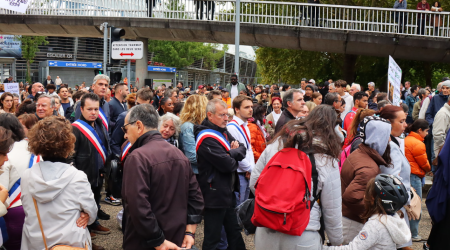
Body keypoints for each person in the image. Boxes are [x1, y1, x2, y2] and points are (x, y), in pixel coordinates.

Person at [250, 105, 344, 249]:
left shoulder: (276, 145)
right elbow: (332, 209)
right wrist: (336, 240)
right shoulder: (327, 160)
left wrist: (274, 205)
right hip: (303, 232)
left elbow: (254, 182)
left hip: (266, 229)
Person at [121, 104, 204, 250]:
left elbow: (138, 205)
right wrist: (189, 232)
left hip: (145, 242)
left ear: (139, 126)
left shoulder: (137, 157)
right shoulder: (179, 154)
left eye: (126, 129)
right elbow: (196, 197)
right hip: (176, 238)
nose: (125, 135)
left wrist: (158, 240)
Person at [20, 116, 97, 250]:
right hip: (70, 242)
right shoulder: (77, 177)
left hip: (36, 242)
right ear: (68, 145)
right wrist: (87, 216)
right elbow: (92, 212)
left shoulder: (27, 176)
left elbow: (27, 208)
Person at [194, 99, 247, 250]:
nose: (226, 118)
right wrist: (233, 154)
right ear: (210, 115)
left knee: (234, 232)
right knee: (213, 236)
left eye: (227, 115)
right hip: (214, 193)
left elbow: (242, 148)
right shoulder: (206, 137)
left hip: (226, 192)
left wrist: (230, 153)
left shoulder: (221, 129)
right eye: (222, 115)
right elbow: (228, 165)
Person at [340, 115, 392, 244]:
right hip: (353, 222)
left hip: (346, 217)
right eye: (387, 136)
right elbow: (352, 197)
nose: (389, 140)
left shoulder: (360, 153)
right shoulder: (369, 167)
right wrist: (373, 214)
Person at [69, 93, 112, 249]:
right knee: (82, 204)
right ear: (81, 109)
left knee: (94, 200)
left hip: (98, 172)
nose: (93, 112)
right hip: (84, 172)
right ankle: (85, 230)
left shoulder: (100, 124)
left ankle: (94, 223)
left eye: (96, 109)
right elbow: (71, 155)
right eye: (89, 109)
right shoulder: (75, 129)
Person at [323, 175, 410, 250]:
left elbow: (352, 249)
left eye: (367, 193)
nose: (364, 196)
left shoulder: (376, 225)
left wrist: (320, 248)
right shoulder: (394, 219)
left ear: (372, 198)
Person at [378, 105, 413, 249]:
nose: (405, 125)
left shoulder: (387, 142)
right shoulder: (390, 146)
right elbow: (391, 181)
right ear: (388, 122)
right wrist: (407, 196)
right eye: (402, 121)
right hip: (395, 209)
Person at [0, 114, 29, 250]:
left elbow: (2, 191)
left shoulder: (5, 152)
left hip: (11, 210)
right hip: (31, 206)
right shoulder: (32, 146)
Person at [404, 119, 430, 242]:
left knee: (408, 204)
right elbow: (424, 163)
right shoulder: (418, 144)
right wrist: (429, 169)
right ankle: (414, 233)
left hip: (407, 174)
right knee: (415, 205)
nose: (427, 134)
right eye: (426, 131)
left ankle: (408, 232)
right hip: (415, 176)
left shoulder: (406, 140)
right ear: (420, 130)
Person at [227, 95, 254, 206]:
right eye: (246, 107)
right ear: (237, 109)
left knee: (243, 208)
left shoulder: (245, 126)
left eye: (251, 106)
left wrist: (251, 168)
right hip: (239, 174)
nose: (251, 109)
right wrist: (251, 169)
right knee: (238, 208)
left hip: (246, 172)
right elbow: (238, 154)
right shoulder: (232, 127)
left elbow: (249, 150)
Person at [179, 95, 208, 175]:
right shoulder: (188, 126)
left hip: (201, 170)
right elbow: (192, 156)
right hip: (195, 173)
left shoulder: (197, 124)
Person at [432, 95, 450, 160]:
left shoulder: (447, 112)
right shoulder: (443, 114)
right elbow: (438, 135)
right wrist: (445, 150)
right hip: (444, 152)